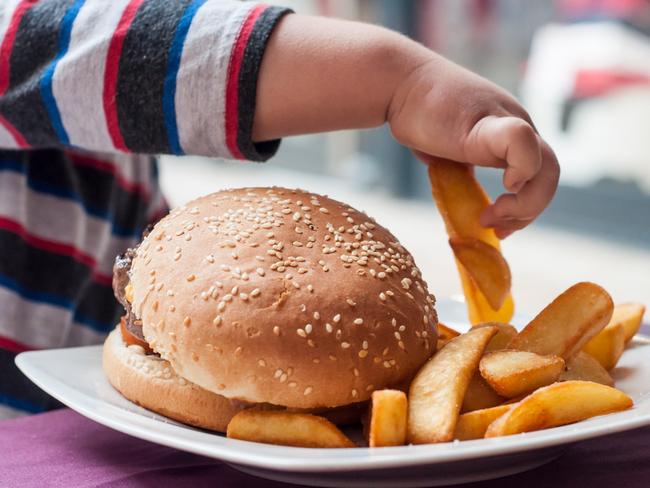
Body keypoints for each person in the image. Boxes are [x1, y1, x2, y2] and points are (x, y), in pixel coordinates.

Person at [0, 0, 559, 418]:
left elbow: (168, 271)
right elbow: (93, 52)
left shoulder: (104, 147)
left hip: (98, 410)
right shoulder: (31, 50)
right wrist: (401, 84)